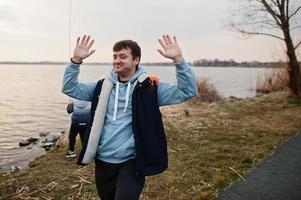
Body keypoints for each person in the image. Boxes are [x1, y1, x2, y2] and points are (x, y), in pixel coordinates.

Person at [62, 34, 197, 199]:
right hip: (103, 161)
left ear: (136, 60)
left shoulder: (150, 88)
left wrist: (178, 60)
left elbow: (187, 91)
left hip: (132, 162)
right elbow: (70, 89)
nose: (117, 60)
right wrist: (76, 60)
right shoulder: (101, 86)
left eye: (123, 56)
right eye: (115, 56)